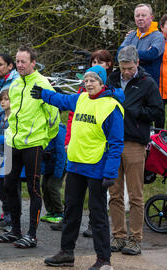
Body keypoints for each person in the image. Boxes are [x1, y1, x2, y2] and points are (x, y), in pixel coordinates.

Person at [34, 65, 125, 270]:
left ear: (103, 83)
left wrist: (111, 172)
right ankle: (66, 252)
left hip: (97, 167)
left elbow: (116, 143)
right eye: (86, 80)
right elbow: (62, 100)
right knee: (71, 210)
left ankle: (103, 260)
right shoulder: (80, 98)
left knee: (98, 214)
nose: (89, 83)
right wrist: (44, 94)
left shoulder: (112, 107)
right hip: (75, 164)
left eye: (94, 80)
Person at [0, 45, 60, 249]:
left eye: (23, 61)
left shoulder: (42, 84)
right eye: (18, 61)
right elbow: (12, 113)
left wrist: (44, 139)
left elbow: (54, 116)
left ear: (33, 63)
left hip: (34, 144)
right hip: (14, 142)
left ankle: (32, 234)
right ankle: (15, 230)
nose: (20, 65)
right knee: (8, 185)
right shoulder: (14, 84)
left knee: (33, 189)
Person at [107, 45, 164, 256]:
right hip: (112, 142)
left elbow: (158, 111)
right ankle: (118, 235)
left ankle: (135, 238)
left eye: (129, 68)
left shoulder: (147, 83)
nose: (126, 72)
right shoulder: (112, 80)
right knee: (114, 193)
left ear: (137, 63)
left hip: (134, 142)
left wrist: (135, 111)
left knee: (135, 194)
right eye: (123, 68)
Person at [63, 49, 116, 237]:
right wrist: (69, 139)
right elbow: (71, 115)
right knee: (72, 203)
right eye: (93, 61)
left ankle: (102, 254)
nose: (95, 65)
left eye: (99, 62)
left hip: (97, 159)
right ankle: (66, 248)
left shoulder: (112, 97)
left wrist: (110, 169)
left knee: (97, 203)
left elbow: (114, 140)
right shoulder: (82, 93)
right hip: (78, 157)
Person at [0, 89, 21, 231]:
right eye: (1, 99)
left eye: (6, 99)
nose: (3, 101)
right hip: (0, 158)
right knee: (2, 190)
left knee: (12, 189)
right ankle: (6, 214)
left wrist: (1, 139)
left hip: (13, 158)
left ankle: (13, 219)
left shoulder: (17, 117)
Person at [117, 3, 165, 86]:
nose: (140, 18)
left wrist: (128, 54)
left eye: (143, 15)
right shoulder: (131, 35)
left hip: (148, 85)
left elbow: (151, 55)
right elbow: (119, 54)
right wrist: (143, 54)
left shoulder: (158, 36)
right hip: (129, 83)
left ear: (151, 17)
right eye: (137, 16)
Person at [40, 122, 66, 225]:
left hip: (59, 166)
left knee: (53, 187)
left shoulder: (60, 130)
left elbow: (62, 153)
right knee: (44, 186)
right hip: (48, 165)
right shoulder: (45, 127)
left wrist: (59, 171)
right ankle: (51, 211)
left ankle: (59, 212)